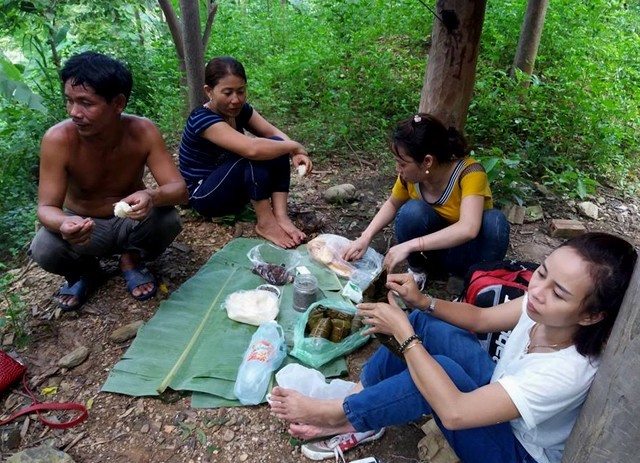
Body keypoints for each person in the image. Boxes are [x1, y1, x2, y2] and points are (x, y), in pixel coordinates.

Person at [270, 232, 637, 463]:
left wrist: (403, 335)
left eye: (559, 292)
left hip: (516, 450)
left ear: (591, 317)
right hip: (499, 395)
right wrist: (422, 301)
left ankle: (337, 414)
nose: (538, 291)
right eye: (542, 272)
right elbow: (479, 319)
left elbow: (456, 412)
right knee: (427, 323)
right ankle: (361, 405)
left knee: (430, 369)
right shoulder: (540, 308)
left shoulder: (566, 371)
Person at [29, 51, 188, 311]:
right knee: (45, 247)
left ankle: (131, 259)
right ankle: (84, 272)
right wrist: (66, 223)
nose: (74, 112)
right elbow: (46, 207)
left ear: (118, 103)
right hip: (84, 227)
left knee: (167, 219)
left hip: (130, 223)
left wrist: (151, 196)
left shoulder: (143, 131)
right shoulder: (58, 139)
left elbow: (179, 190)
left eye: (86, 103)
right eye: (69, 101)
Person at [342, 113, 510, 286]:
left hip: (469, 254)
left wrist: (409, 245)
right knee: (411, 211)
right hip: (434, 252)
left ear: (427, 161)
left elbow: (468, 228)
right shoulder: (411, 177)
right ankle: (420, 270)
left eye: (403, 163)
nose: (398, 168)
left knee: (495, 222)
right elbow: (393, 203)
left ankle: (476, 282)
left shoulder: (470, 174)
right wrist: (365, 237)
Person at [178, 56, 312, 249]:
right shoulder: (202, 119)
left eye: (241, 91)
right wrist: (294, 146)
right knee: (254, 152)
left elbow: (273, 134)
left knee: (276, 145)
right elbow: (252, 149)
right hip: (205, 195)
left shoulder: (240, 110)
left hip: (232, 189)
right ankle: (265, 223)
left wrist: (294, 152)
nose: (236, 99)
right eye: (227, 93)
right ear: (209, 91)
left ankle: (280, 216)